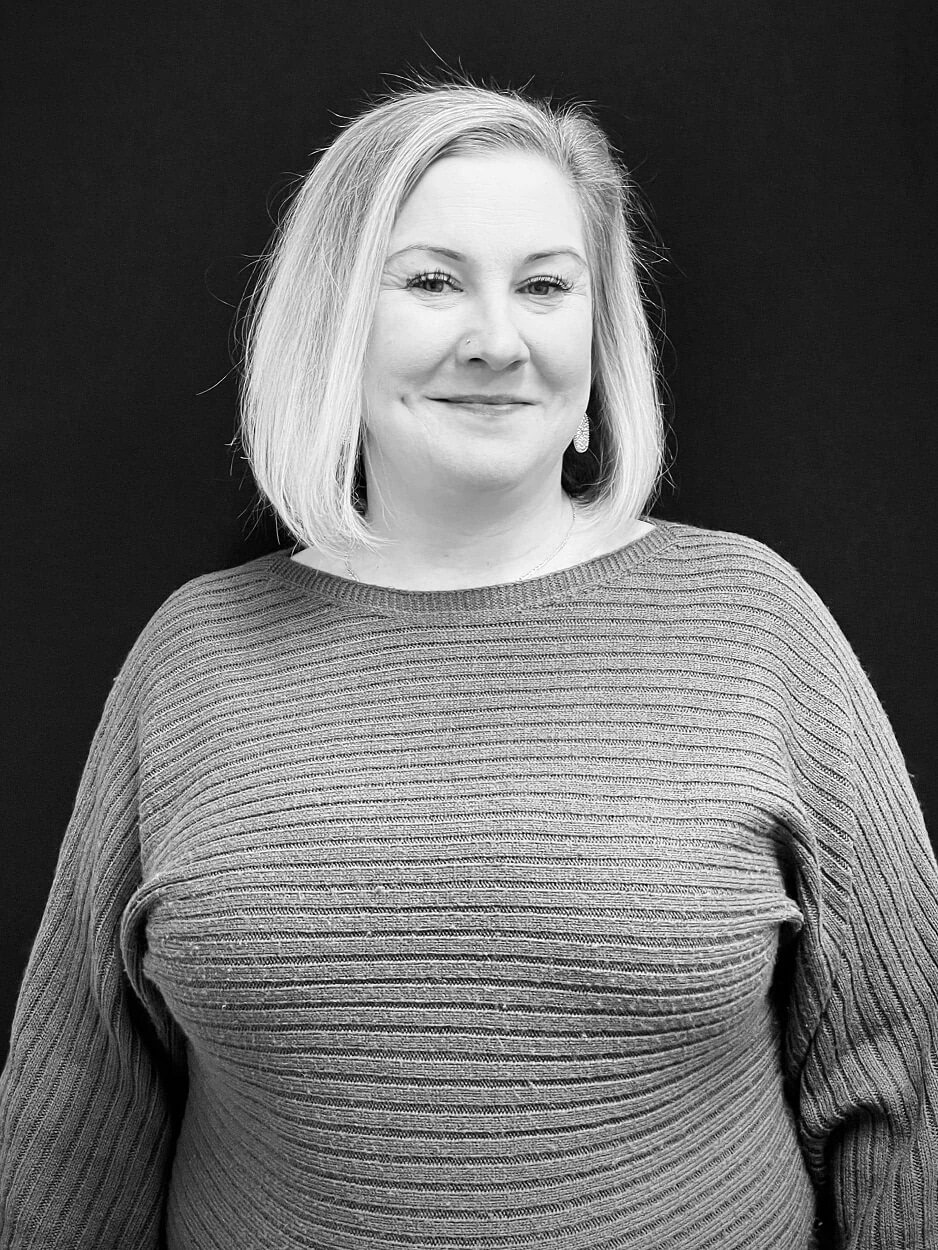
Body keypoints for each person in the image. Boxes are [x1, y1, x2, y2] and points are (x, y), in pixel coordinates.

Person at [0, 77, 935, 1250]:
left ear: (596, 344)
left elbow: (903, 1080)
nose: (495, 340)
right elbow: (78, 1110)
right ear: (334, 326)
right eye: (432, 279)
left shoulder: (754, 622)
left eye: (544, 285)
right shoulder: (191, 657)